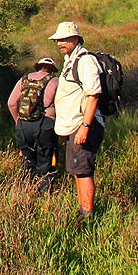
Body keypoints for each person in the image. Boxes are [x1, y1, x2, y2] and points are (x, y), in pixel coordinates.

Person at [49, 21, 105, 220]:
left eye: (64, 39)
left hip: (82, 126)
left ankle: (87, 215)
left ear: (75, 39)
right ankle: (83, 210)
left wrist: (85, 127)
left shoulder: (85, 61)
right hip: (73, 126)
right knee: (77, 170)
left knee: (83, 171)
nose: (60, 43)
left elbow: (93, 95)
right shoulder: (70, 60)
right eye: (58, 40)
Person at [8, 57, 60, 192]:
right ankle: (43, 193)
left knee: (27, 160)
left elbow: (11, 103)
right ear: (52, 70)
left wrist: (18, 121)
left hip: (23, 125)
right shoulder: (55, 81)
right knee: (45, 160)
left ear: (38, 66)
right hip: (45, 124)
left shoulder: (24, 79)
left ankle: (25, 190)